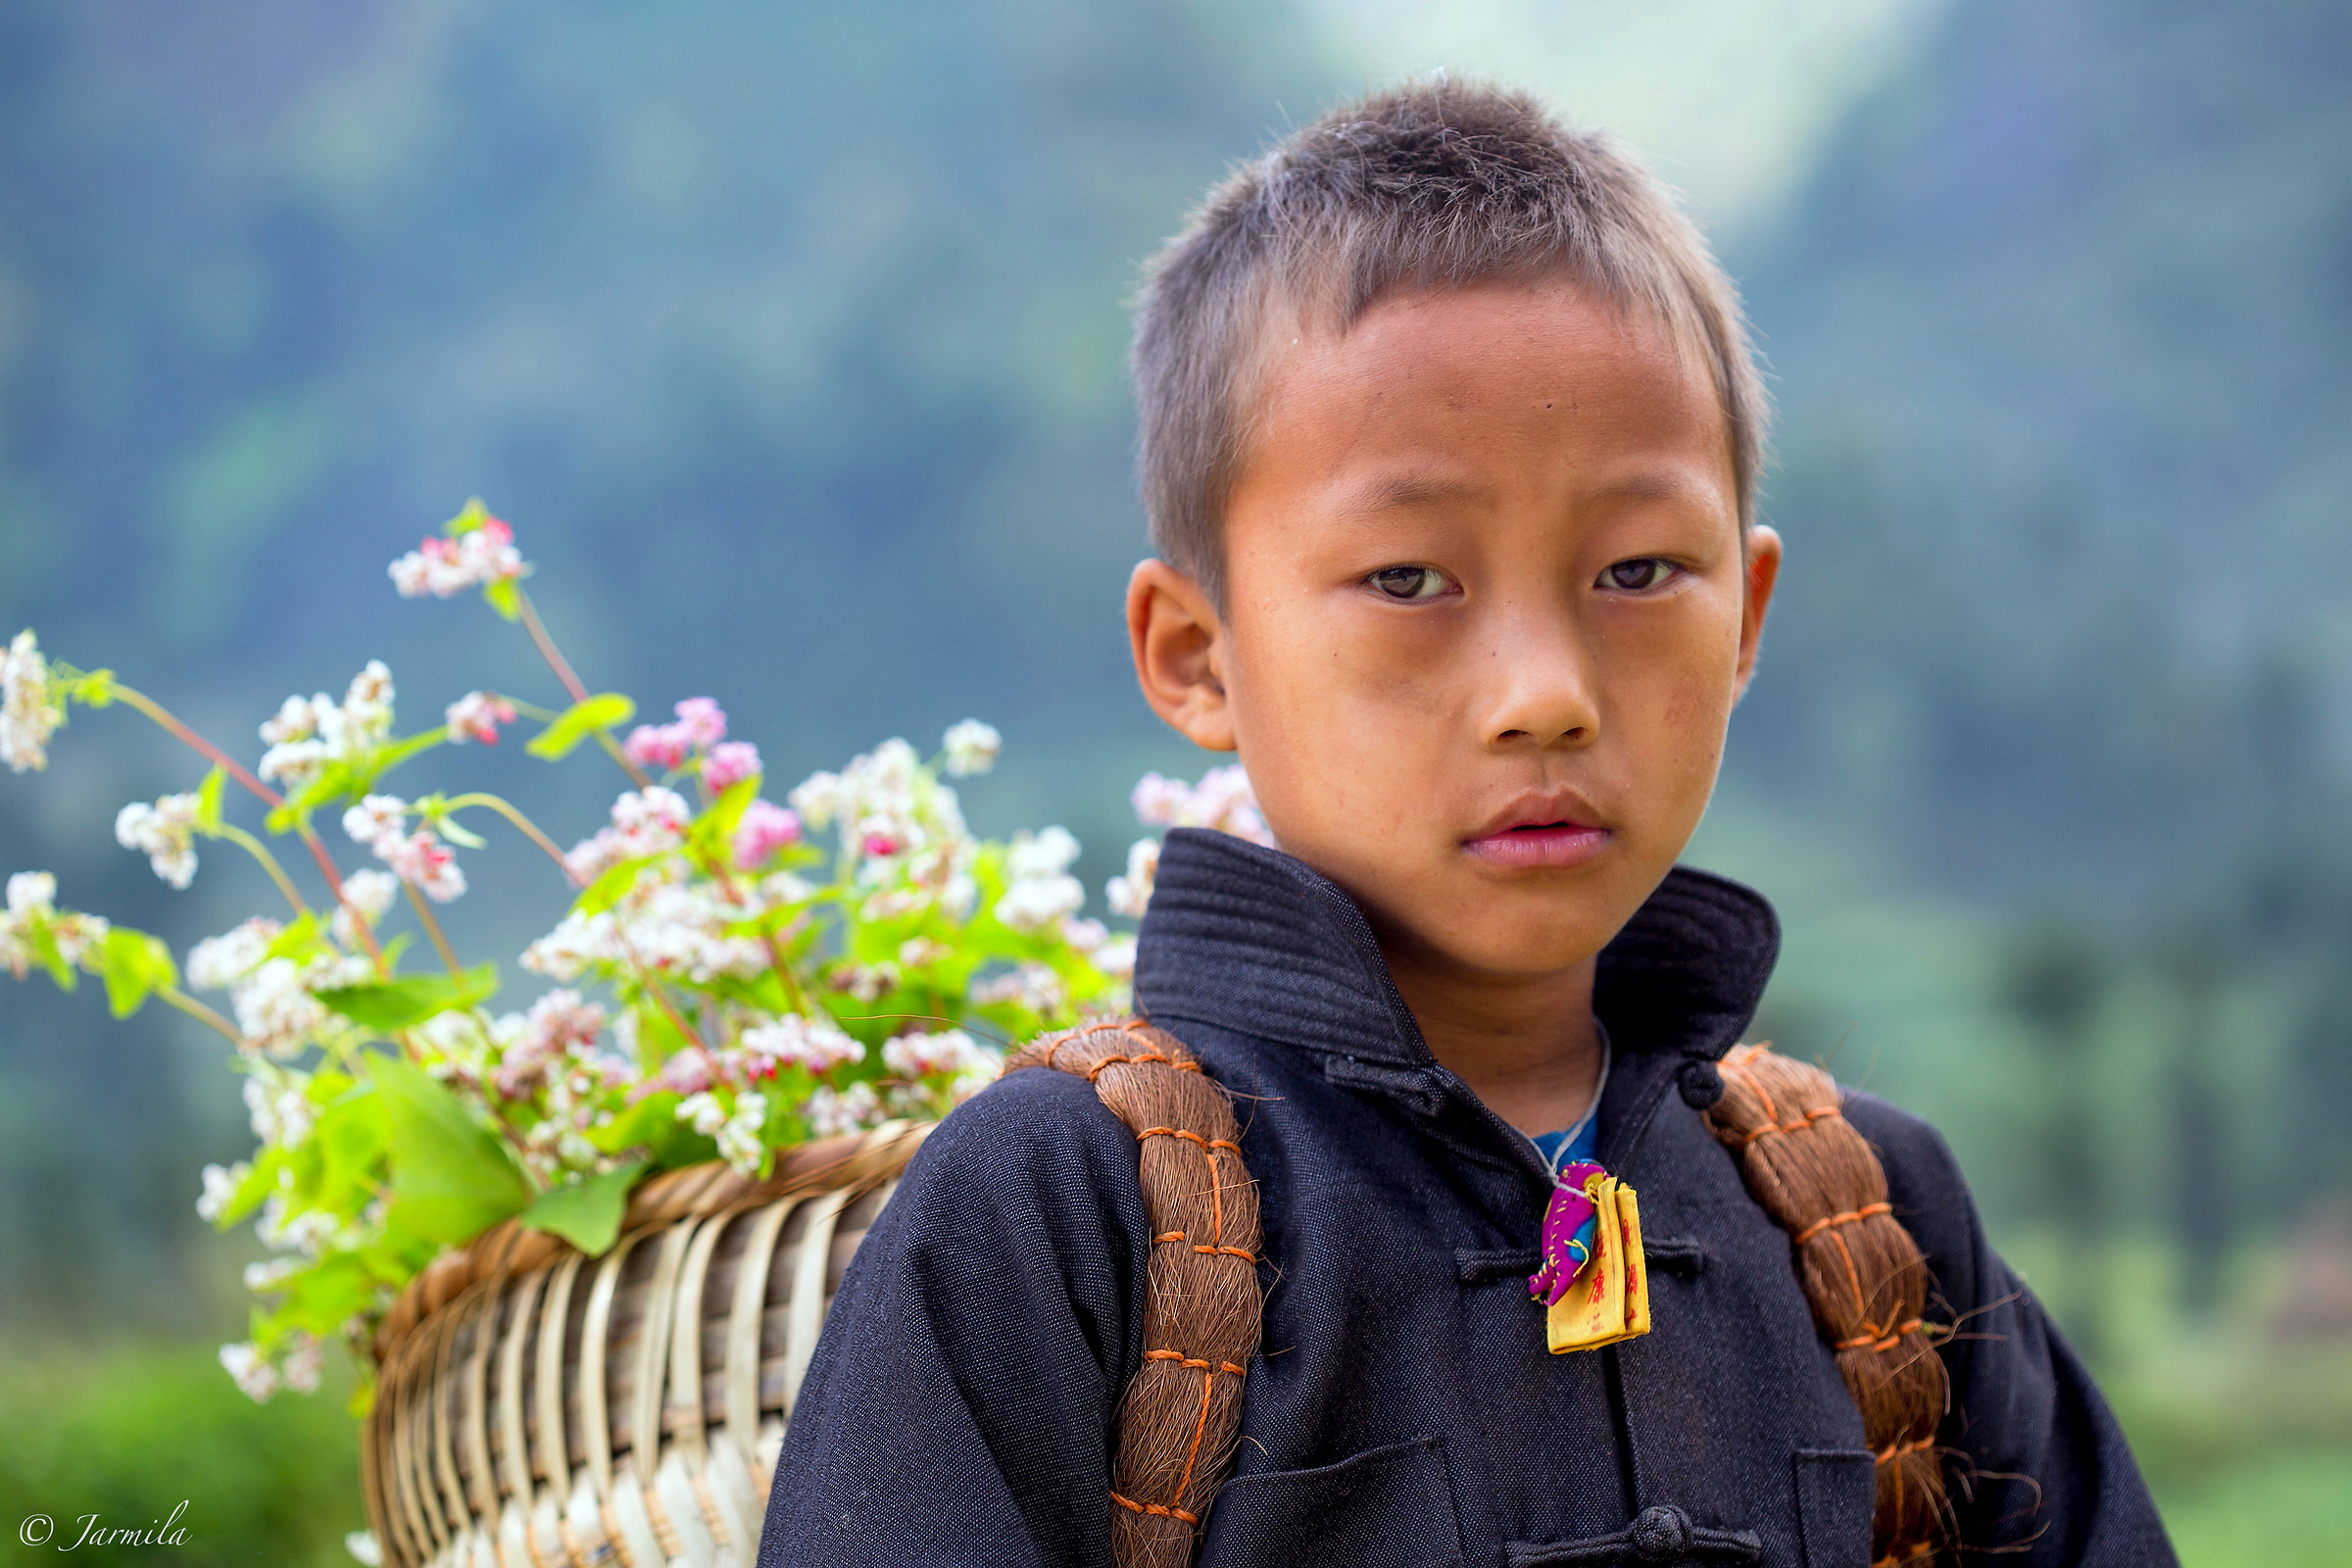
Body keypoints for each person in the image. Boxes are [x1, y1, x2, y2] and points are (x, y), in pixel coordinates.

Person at [759, 80, 2174, 1567]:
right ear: (1197, 653)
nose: (1544, 697)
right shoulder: (1068, 1215)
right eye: (1411, 581)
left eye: (1636, 573)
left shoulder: (1869, 1223)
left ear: (1747, 615)